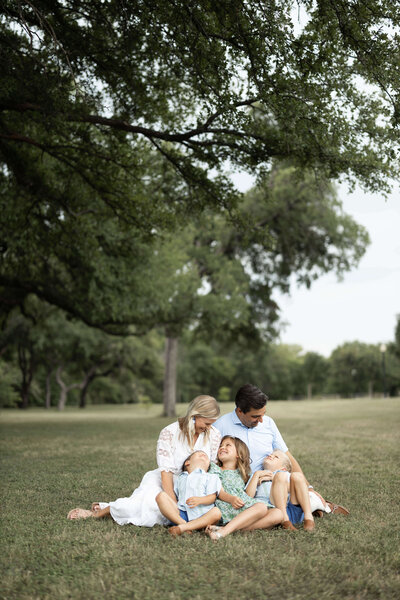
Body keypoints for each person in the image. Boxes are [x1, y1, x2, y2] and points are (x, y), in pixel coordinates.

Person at [67, 395, 222, 526]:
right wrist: (174, 503)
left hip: (196, 486)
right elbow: (166, 472)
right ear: (194, 415)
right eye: (207, 423)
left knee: (163, 516)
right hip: (166, 482)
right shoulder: (169, 432)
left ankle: (107, 507)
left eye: (212, 424)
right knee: (152, 508)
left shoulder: (214, 435)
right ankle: (100, 512)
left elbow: (214, 468)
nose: (209, 428)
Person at [213, 384, 349, 520]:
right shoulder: (220, 426)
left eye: (263, 414)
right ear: (240, 411)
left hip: (275, 482)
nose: (261, 420)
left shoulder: (268, 423)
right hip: (241, 489)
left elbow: (287, 456)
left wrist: (309, 487)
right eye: (255, 416)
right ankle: (308, 508)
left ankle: (314, 503)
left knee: (295, 488)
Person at [205, 436, 283, 540]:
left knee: (278, 514)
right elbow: (217, 491)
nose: (222, 447)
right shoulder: (215, 468)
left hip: (242, 505)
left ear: (238, 454)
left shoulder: (241, 473)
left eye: (227, 445)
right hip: (228, 505)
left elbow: (249, 495)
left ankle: (226, 529)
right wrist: (231, 499)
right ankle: (223, 532)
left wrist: (256, 475)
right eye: (221, 446)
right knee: (261, 507)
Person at [246, 449, 315, 531]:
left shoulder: (286, 475)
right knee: (280, 476)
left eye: (276, 457)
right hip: (271, 511)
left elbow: (298, 490)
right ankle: (285, 521)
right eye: (271, 454)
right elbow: (248, 496)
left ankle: (309, 518)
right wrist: (256, 476)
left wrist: (274, 478)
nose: (271, 456)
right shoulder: (256, 475)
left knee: (297, 476)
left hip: (291, 510)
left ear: (283, 468)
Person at [158, 450, 223, 537]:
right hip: (182, 514)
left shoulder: (210, 477)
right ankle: (184, 524)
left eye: (206, 457)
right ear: (187, 463)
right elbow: (177, 495)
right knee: (161, 496)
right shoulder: (180, 478)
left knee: (216, 512)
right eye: (198, 454)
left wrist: (200, 500)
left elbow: (212, 498)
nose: (203, 454)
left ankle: (183, 528)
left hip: (203, 515)